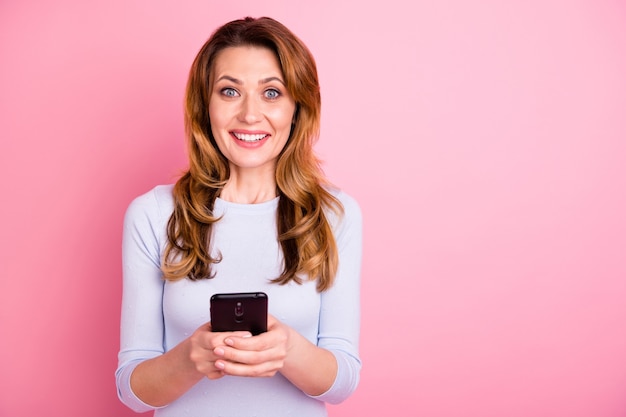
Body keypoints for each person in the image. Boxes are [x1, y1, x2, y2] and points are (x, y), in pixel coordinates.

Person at [115, 16, 362, 417]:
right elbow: (132, 390)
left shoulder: (334, 214)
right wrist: (190, 359)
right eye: (230, 91)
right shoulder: (155, 214)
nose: (250, 115)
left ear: (297, 107)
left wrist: (288, 350)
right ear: (205, 105)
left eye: (271, 93)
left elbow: (343, 381)